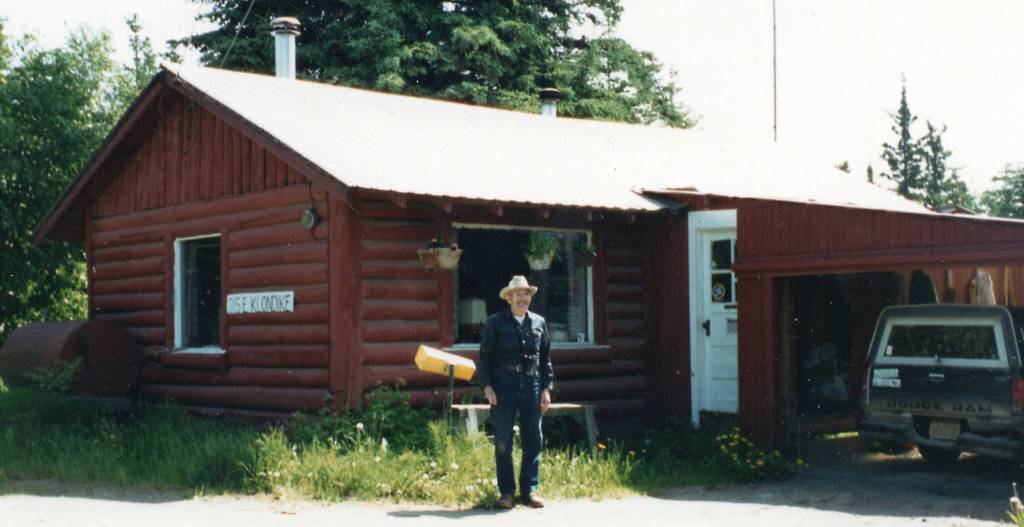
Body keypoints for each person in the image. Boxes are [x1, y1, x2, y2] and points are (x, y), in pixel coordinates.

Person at [478, 275, 554, 509]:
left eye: (526, 294)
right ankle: (507, 493)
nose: (523, 298)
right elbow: (484, 356)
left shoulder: (539, 322)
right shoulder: (495, 322)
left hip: (531, 383)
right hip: (503, 384)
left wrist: (546, 388)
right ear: (509, 298)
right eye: (518, 294)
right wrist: (487, 386)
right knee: (503, 439)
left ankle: (529, 491)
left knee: (533, 437)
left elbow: (545, 358)